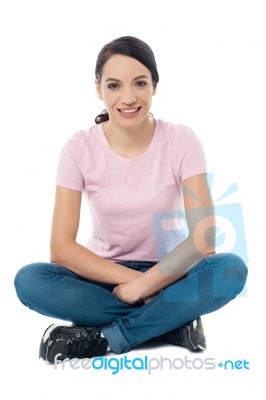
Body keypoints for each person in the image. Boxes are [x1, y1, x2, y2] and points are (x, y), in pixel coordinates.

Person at [14, 36, 248, 363]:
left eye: (140, 83)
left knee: (231, 269)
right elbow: (61, 249)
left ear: (155, 85)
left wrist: (153, 280)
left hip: (171, 271)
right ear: (98, 88)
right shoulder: (78, 149)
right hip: (105, 276)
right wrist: (136, 283)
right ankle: (168, 324)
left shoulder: (183, 140)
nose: (128, 97)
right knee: (30, 280)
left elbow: (203, 239)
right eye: (114, 85)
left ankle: (106, 336)